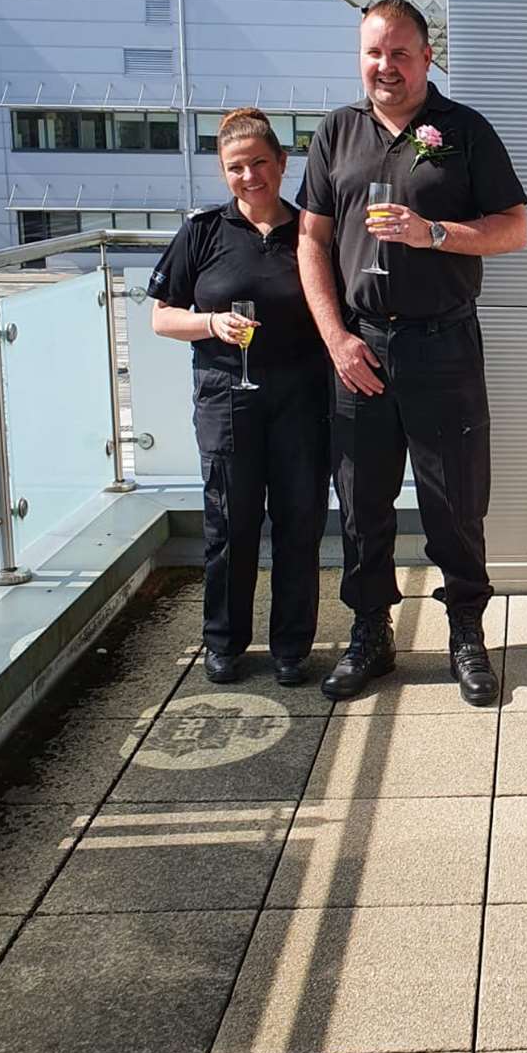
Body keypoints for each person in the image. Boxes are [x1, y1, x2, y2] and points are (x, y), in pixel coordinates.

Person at [297, 0, 527, 707]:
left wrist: (433, 234)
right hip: (360, 347)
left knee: (454, 500)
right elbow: (310, 242)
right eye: (374, 51)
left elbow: (512, 229)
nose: (385, 65)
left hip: (443, 345)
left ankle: (465, 632)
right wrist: (336, 339)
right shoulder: (337, 132)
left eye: (400, 52)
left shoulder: (463, 130)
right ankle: (372, 633)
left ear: (428, 56)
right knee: (361, 500)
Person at [149, 108, 330, 687]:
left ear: (282, 163)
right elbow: (161, 318)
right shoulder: (202, 232)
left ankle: (291, 648)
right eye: (235, 167)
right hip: (227, 396)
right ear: (222, 172)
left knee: (299, 523)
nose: (250, 176)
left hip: (301, 397)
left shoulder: (309, 232)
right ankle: (224, 642)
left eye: (259, 163)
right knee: (231, 524)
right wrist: (209, 324)